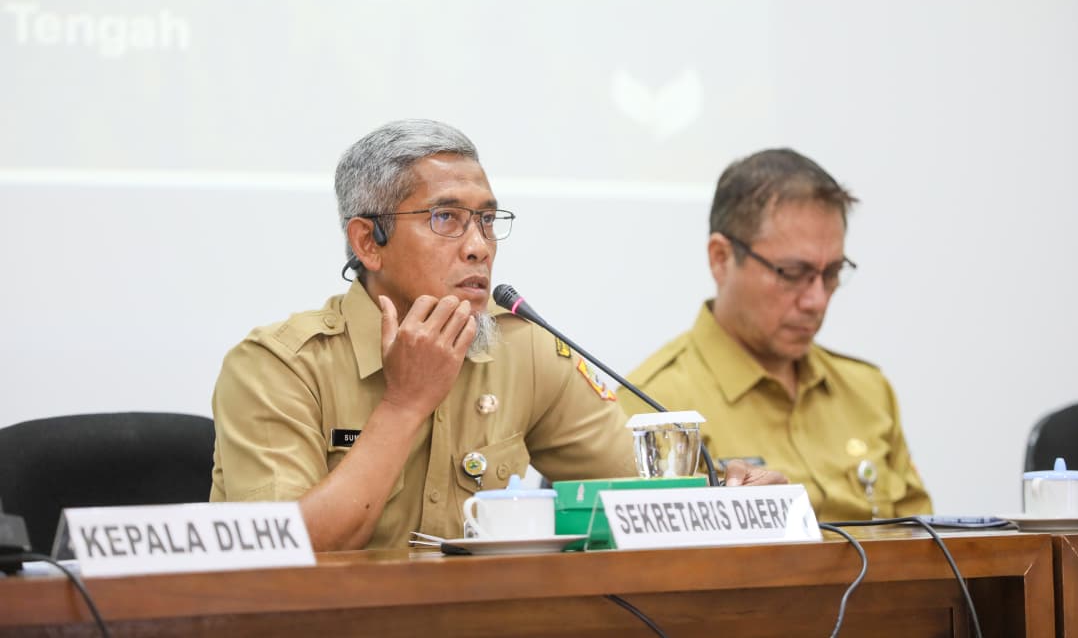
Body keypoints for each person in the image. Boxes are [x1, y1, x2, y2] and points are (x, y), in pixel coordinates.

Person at [210, 119, 784, 551]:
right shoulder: (276, 367)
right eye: (445, 218)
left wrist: (724, 498)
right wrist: (406, 401)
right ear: (368, 242)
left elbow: (636, 501)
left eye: (487, 219)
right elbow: (285, 554)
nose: (479, 245)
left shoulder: (522, 347)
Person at [620, 149, 931, 521]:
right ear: (721, 258)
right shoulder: (653, 406)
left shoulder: (869, 392)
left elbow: (931, 548)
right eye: (792, 273)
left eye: (831, 272)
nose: (816, 300)